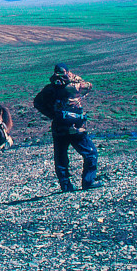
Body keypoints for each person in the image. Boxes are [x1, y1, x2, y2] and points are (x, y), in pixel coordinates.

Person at [33, 64, 102, 192]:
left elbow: (37, 102)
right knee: (90, 153)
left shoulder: (49, 89)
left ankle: (66, 186)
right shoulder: (74, 87)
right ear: (68, 73)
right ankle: (88, 181)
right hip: (76, 127)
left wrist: (52, 114)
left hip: (59, 126)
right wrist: (71, 77)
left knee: (60, 157)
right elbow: (89, 85)